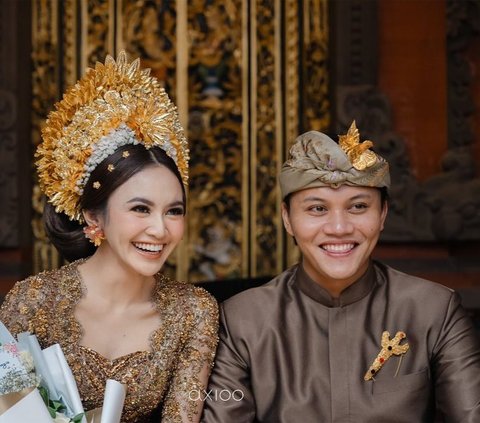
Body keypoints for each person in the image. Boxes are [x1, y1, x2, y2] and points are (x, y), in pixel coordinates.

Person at [202, 123, 480, 422]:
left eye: (358, 206)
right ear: (287, 218)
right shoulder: (242, 321)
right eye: (317, 209)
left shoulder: (434, 311)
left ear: (383, 214)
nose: (339, 228)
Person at [0, 52, 218, 423]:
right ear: (92, 215)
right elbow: (8, 403)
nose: (160, 230)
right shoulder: (33, 301)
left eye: (174, 210)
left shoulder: (194, 311)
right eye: (140, 209)